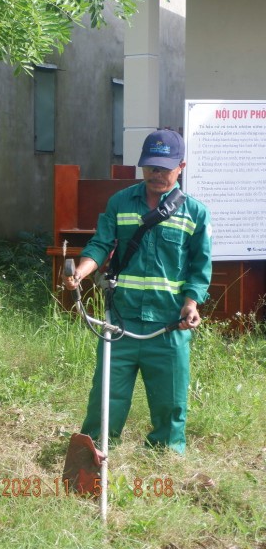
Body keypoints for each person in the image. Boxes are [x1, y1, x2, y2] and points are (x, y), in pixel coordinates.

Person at [63, 128, 212, 455]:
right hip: (121, 321)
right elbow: (101, 244)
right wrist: (82, 273)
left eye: (164, 168)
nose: (156, 174)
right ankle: (95, 452)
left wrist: (191, 303)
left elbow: (200, 266)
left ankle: (165, 458)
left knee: (170, 401)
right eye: (150, 167)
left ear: (181, 167)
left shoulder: (195, 213)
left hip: (169, 325)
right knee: (106, 397)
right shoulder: (120, 202)